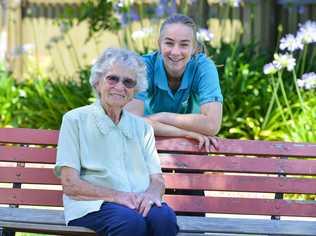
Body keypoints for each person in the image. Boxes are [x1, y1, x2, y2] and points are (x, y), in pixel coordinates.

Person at [54, 48, 178, 236]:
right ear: (97, 82)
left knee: (164, 218)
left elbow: (157, 180)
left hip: (135, 203)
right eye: (112, 78)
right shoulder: (75, 120)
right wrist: (118, 197)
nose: (120, 87)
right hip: (92, 205)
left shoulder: (142, 128)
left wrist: (151, 195)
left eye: (128, 82)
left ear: (134, 91)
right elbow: (70, 184)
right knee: (130, 223)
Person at [126, 14, 223, 151]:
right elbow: (132, 122)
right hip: (147, 142)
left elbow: (212, 125)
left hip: (193, 146)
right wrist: (185, 132)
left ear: (194, 47)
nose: (175, 52)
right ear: (159, 44)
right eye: (169, 43)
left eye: (184, 44)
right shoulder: (142, 66)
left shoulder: (204, 67)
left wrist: (160, 117)